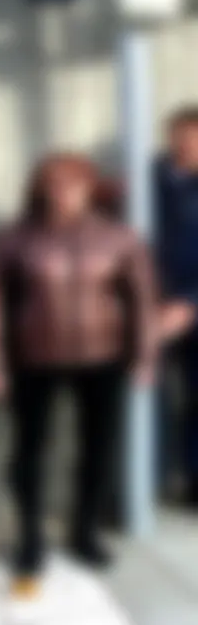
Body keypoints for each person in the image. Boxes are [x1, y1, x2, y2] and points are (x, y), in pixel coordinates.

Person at [0, 153, 160, 579]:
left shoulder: (120, 237)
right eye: (53, 183)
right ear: (39, 188)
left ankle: (84, 532)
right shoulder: (15, 238)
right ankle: (30, 538)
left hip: (104, 358)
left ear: (90, 188)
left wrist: (145, 356)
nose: (63, 192)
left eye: (73, 183)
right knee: (30, 451)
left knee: (98, 450)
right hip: (33, 358)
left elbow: (143, 301)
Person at [154, 106, 198, 506]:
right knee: (148, 399)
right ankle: (145, 485)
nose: (185, 146)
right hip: (151, 307)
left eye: (193, 138)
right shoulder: (149, 181)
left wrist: (189, 303)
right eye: (178, 137)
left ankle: (194, 484)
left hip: (192, 303)